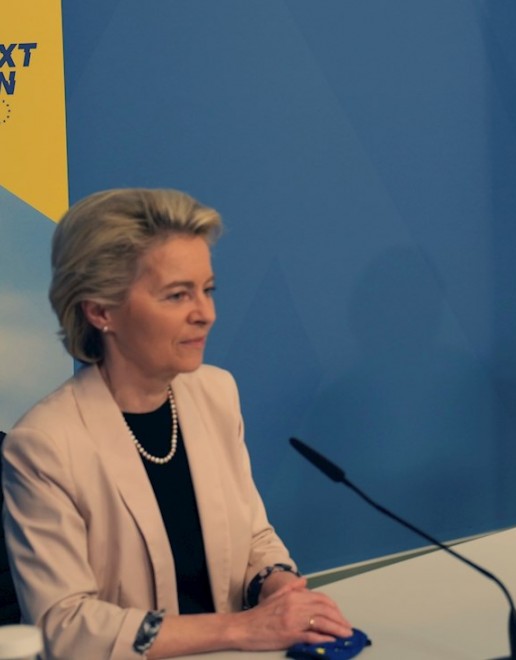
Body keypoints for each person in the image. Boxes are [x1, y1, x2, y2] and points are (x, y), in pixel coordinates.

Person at [1, 189, 352, 658]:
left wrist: (276, 583)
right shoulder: (44, 444)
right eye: (177, 295)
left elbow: (253, 537)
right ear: (101, 311)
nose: (206, 314)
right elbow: (65, 626)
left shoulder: (215, 392)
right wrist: (239, 629)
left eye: (207, 290)